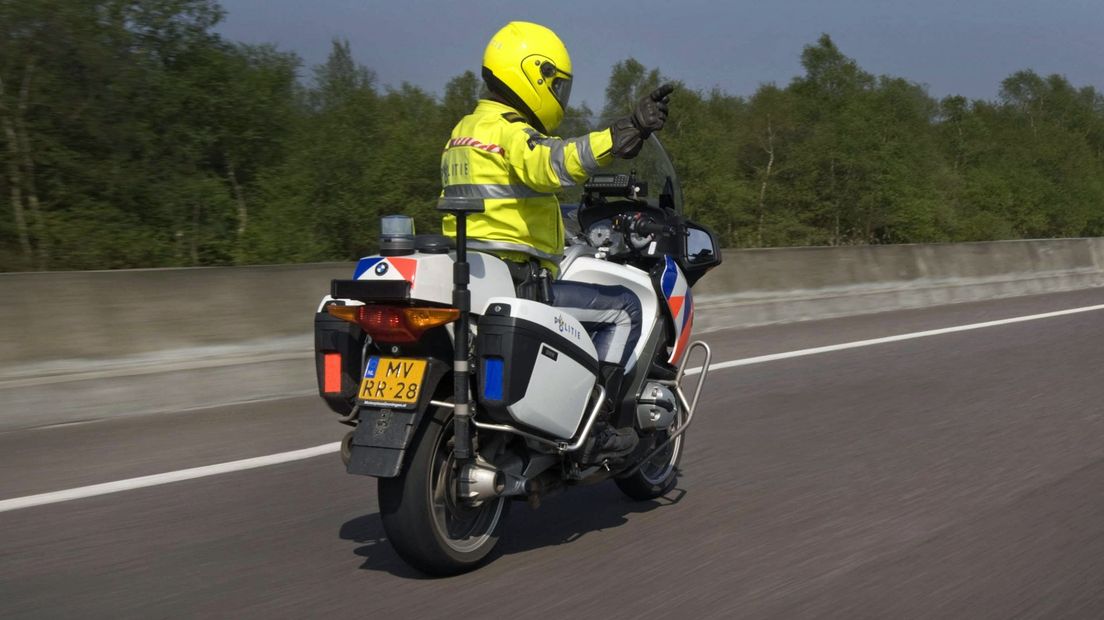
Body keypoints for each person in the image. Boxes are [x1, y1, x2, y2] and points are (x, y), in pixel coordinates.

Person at [441, 21, 673, 382]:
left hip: (469, 273)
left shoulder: (462, 132)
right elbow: (554, 164)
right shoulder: (509, 133)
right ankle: (599, 421)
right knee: (626, 310)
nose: (559, 95)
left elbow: (504, 203)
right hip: (517, 280)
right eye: (557, 84)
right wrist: (622, 133)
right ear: (534, 75)